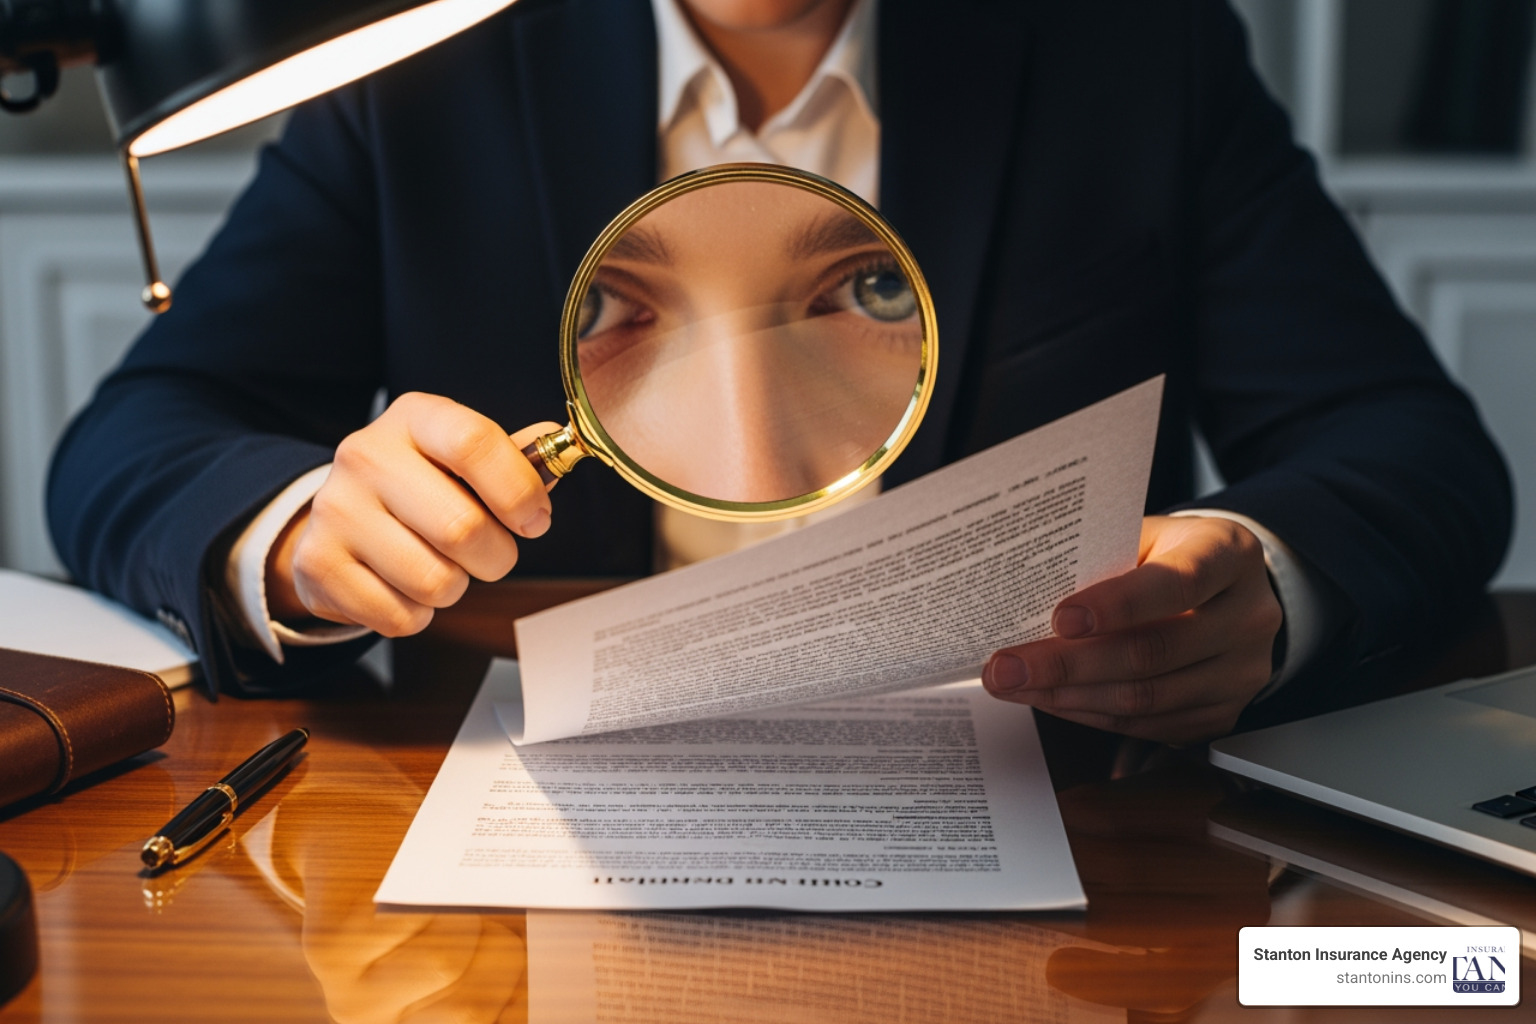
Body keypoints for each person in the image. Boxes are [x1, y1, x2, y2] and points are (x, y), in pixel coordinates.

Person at [47, 0, 1511, 744]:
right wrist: (301, 536)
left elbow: (1404, 445)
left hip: (1055, 811)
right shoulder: (423, 65)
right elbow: (141, 440)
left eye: (864, 294)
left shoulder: (1128, 46)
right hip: (531, 830)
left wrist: (1263, 582)